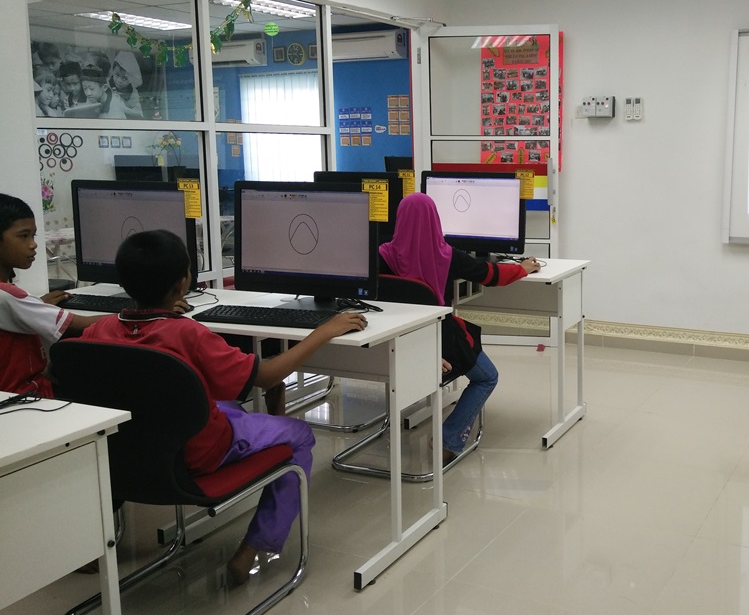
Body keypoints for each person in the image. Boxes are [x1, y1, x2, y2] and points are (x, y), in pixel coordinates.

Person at [78, 229, 367, 584]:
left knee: (226, 402)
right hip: (198, 455)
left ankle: (269, 422)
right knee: (300, 435)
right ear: (183, 283)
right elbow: (266, 376)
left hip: (127, 456)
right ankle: (252, 549)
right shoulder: (188, 334)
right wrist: (324, 331)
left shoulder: (97, 331)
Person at [378, 193, 540, 464]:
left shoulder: (381, 255)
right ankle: (447, 440)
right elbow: (492, 275)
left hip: (391, 341)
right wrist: (523, 268)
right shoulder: (449, 255)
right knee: (487, 377)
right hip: (438, 341)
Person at [0, 192, 103, 396]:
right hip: (27, 397)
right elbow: (81, 324)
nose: (33, 244)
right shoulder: (10, 298)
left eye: (33, 235)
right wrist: (136, 315)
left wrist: (36, 305)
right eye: (23, 236)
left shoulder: (12, 300)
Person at [109, 51, 144, 119]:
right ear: (113, 71)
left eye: (125, 78)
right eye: (117, 75)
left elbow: (138, 114)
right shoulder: (107, 86)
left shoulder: (133, 92)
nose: (119, 80)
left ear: (131, 79)